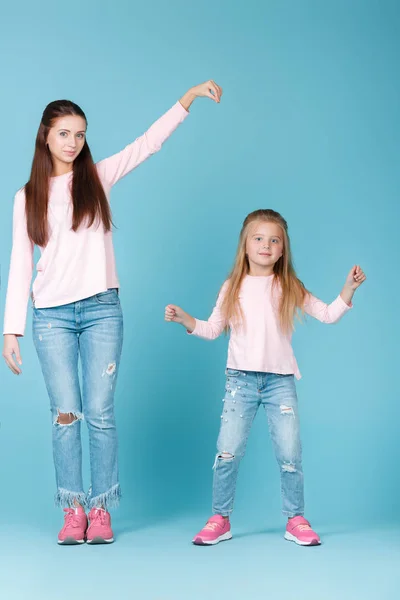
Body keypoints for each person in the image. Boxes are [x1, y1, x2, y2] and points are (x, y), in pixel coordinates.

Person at [2, 80, 223, 545]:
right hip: (51, 317)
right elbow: (21, 265)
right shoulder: (27, 197)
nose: (73, 142)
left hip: (102, 310)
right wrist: (10, 331)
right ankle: (73, 509)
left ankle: (100, 510)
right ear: (46, 136)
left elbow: (147, 145)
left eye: (80, 134)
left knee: (100, 412)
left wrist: (185, 99)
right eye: (64, 133)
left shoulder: (97, 178)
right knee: (66, 413)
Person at [165, 208, 366, 546]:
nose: (266, 245)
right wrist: (187, 319)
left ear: (282, 249)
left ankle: (296, 518)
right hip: (239, 382)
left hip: (279, 383)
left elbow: (329, 315)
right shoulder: (232, 286)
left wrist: (348, 289)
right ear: (245, 245)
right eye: (258, 239)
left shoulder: (289, 286)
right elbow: (213, 329)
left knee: (290, 454)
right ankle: (220, 517)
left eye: (274, 240)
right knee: (227, 451)